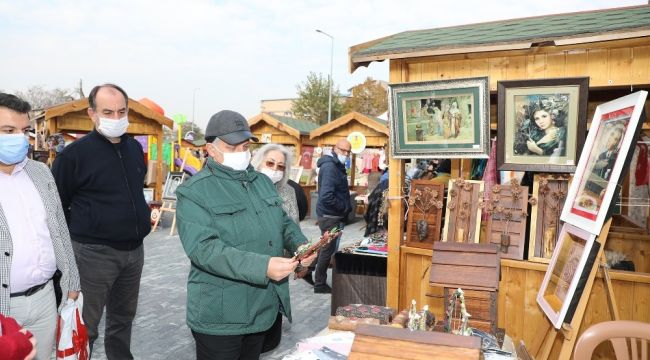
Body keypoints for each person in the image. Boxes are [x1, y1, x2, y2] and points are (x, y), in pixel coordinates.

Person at [175, 110, 317, 360]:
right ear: (211, 149)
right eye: (233, 147)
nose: (242, 152)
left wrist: (301, 246)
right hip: (221, 314)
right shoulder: (194, 192)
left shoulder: (260, 181)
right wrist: (263, 266)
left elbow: (282, 223)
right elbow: (205, 250)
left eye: (245, 145)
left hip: (262, 308)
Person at [51, 84, 151, 359]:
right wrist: (86, 229)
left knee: (123, 320)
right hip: (93, 255)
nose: (116, 118)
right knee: (87, 326)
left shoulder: (132, 148)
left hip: (134, 252)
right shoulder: (73, 155)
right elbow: (57, 206)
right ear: (92, 113)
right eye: (108, 112)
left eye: (121, 111)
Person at [0, 93, 80, 360]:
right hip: (4, 307)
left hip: (45, 299)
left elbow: (58, 228)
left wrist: (72, 278)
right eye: (8, 130)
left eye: (24, 131)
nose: (18, 138)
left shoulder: (40, 172)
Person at [308, 139, 352, 294]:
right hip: (330, 214)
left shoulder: (336, 166)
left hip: (331, 214)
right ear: (335, 148)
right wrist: (344, 207)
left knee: (325, 246)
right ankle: (319, 284)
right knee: (328, 249)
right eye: (343, 150)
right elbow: (326, 195)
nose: (345, 154)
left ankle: (308, 268)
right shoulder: (330, 167)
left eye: (348, 152)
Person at [251, 143, 299, 224]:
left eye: (280, 166)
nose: (274, 169)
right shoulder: (245, 187)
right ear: (259, 163)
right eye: (270, 163)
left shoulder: (288, 191)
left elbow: (294, 223)